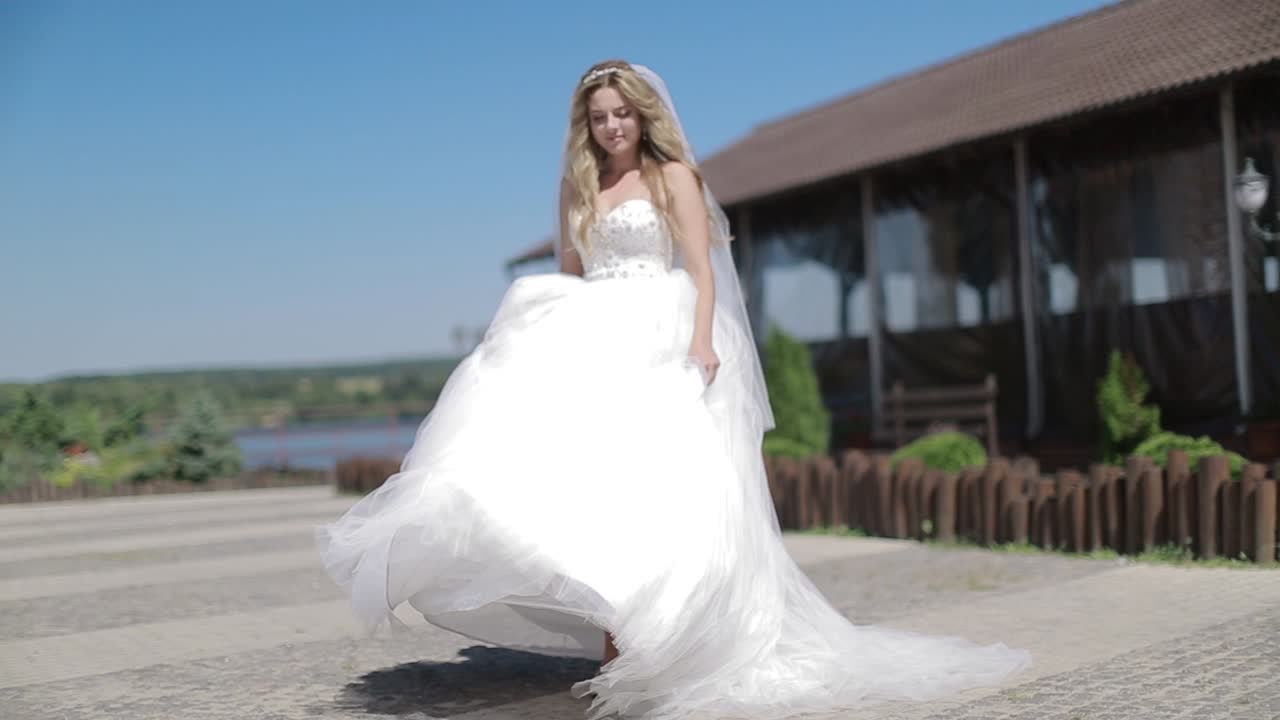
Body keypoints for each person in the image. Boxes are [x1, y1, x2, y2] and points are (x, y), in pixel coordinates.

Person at [317, 59, 1030, 720]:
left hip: (660, 331)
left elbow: (702, 268)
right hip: (594, 331)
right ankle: (616, 636)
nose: (612, 127)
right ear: (585, 124)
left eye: (622, 114)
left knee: (653, 490)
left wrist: (699, 341)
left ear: (642, 115)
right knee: (574, 486)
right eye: (599, 117)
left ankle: (641, 647)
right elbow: (570, 267)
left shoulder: (673, 177)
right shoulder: (577, 181)